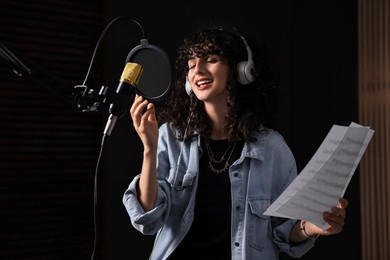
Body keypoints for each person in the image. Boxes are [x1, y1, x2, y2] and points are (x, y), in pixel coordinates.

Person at [122, 21, 348, 260]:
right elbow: (148, 218)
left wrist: (310, 228)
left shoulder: (272, 148)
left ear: (242, 70)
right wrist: (149, 147)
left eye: (210, 59)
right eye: (191, 64)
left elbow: (283, 230)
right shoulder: (170, 137)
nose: (197, 69)